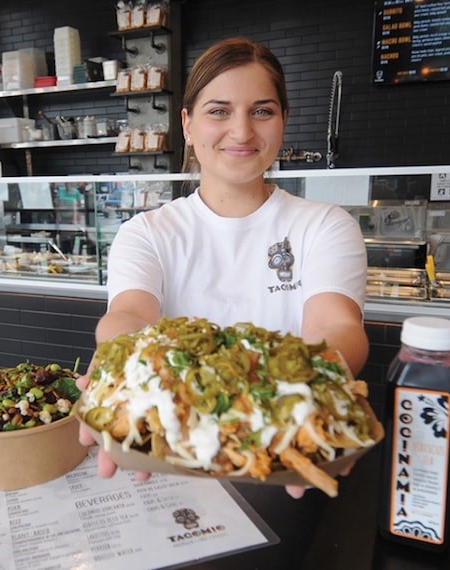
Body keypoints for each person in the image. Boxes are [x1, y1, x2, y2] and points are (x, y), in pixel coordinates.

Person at [78, 38, 369, 496]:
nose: (241, 131)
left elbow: (338, 327)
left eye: (262, 111)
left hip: (282, 458)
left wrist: (298, 406)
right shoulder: (147, 232)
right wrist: (119, 365)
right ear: (188, 125)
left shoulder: (326, 225)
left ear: (283, 121)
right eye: (218, 111)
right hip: (168, 456)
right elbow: (130, 315)